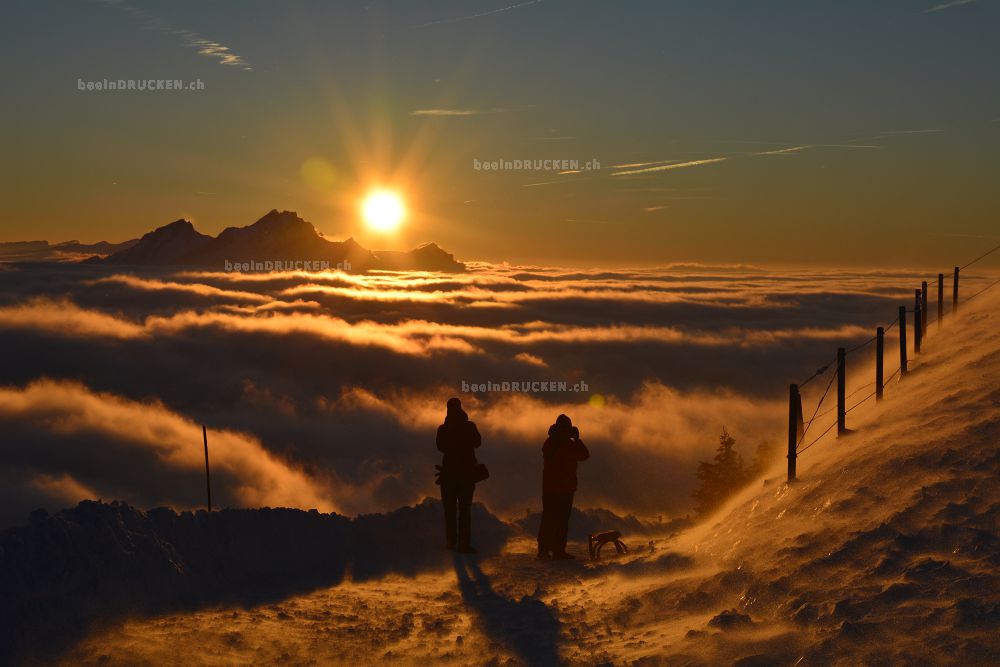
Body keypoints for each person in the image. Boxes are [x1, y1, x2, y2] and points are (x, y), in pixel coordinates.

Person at [537, 414, 589, 560]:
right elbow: (582, 455)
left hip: (563, 488)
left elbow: (585, 455)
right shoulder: (552, 444)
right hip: (554, 489)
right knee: (550, 519)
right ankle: (544, 550)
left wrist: (576, 440)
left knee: (560, 521)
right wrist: (574, 440)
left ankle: (557, 550)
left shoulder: (563, 443)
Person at [436, 397, 482, 554]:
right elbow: (478, 442)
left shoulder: (443, 429)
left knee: (449, 510)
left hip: (448, 474)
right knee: (464, 510)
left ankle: (451, 542)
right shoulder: (469, 426)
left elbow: (440, 447)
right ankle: (463, 544)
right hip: (467, 475)